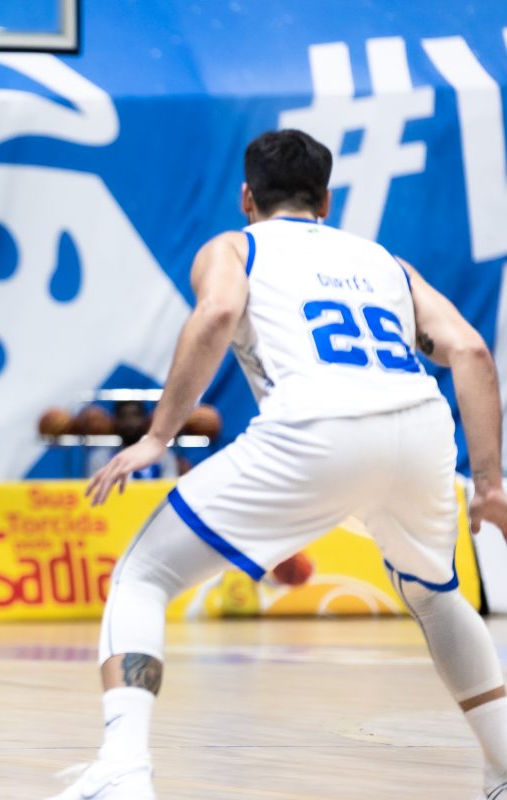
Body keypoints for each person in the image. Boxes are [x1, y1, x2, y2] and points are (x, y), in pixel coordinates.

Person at [49, 129, 507, 799]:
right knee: (436, 597)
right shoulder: (386, 262)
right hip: (420, 427)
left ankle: (121, 766)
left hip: (315, 428)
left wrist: (158, 435)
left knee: (143, 576)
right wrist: (490, 482)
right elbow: (470, 352)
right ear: (326, 200)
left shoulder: (236, 247)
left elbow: (218, 312)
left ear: (246, 197)